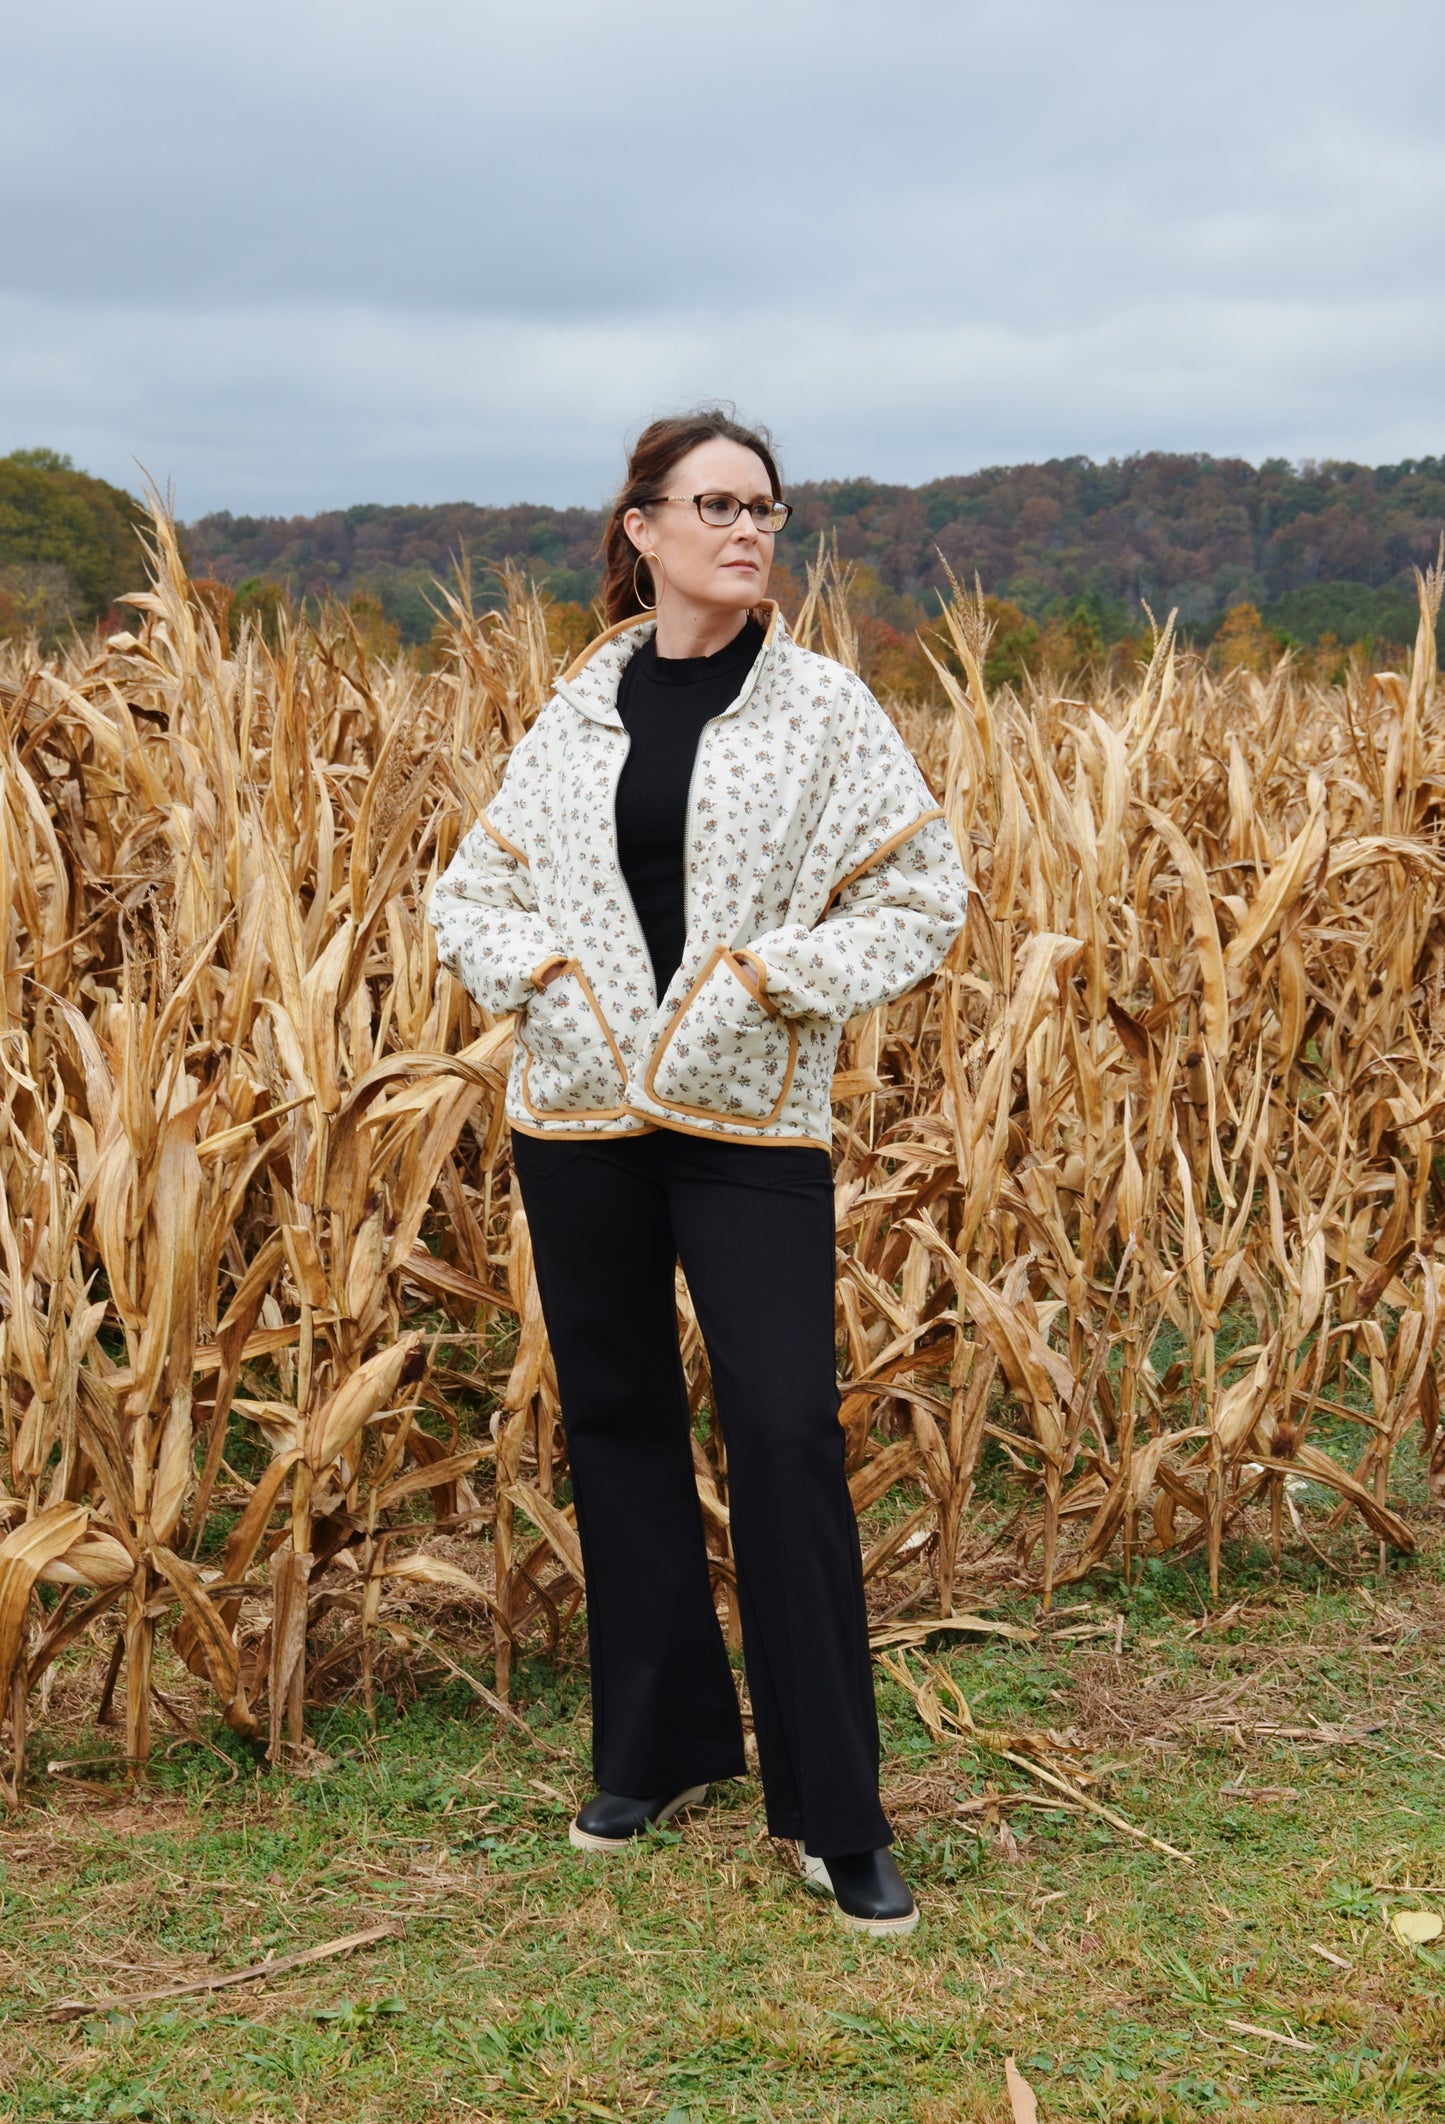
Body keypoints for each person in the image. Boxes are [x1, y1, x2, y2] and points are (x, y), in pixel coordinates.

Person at [429, 408, 969, 1936]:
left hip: (749, 1128)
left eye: (768, 511)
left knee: (787, 1431)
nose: (749, 531)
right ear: (644, 530)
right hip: (580, 1118)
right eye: (717, 506)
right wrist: (538, 973)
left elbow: (924, 895)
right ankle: (660, 1750)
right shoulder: (578, 709)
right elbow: (468, 887)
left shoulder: (821, 710)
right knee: (613, 1422)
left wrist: (773, 982)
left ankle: (833, 1811)